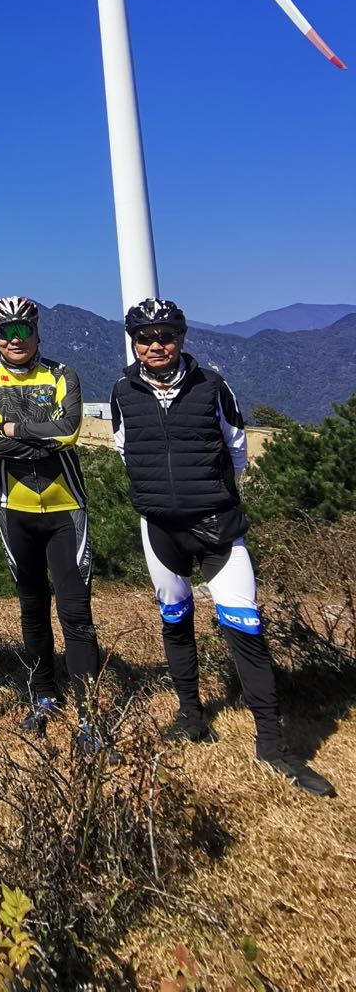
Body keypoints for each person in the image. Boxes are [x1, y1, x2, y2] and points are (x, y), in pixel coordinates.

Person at [111, 299, 335, 797]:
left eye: (165, 335)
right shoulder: (122, 391)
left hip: (217, 525)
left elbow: (237, 449)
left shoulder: (211, 385)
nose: (156, 344)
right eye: (145, 336)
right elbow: (126, 448)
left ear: (182, 337)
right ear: (134, 341)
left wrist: (211, 495)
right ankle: (191, 715)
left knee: (245, 628)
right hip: (160, 529)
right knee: (176, 619)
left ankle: (272, 745)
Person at [0, 296, 102, 734]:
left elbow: (69, 432)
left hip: (66, 508)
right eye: (4, 332)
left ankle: (89, 711)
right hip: (14, 510)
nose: (14, 339)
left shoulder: (63, 375)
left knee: (76, 611)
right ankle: (44, 695)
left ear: (36, 329)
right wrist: (39, 439)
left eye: (22, 329)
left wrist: (14, 429)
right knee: (32, 608)